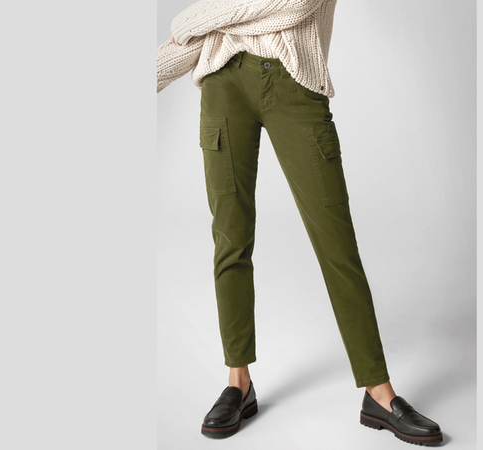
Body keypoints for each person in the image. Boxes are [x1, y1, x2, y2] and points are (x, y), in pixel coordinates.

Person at [157, 0, 443, 445]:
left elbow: (291, 6)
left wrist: (188, 20)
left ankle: (378, 393)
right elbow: (216, 32)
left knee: (336, 244)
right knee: (231, 238)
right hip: (223, 83)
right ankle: (238, 383)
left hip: (294, 84)